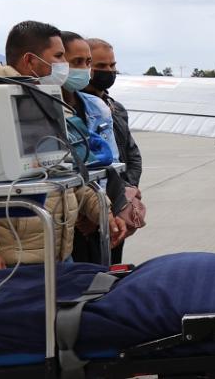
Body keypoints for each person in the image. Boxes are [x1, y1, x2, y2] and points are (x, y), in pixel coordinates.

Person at [0, 21, 122, 272]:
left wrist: (103, 211)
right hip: (11, 263)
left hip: (56, 255)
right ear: (30, 60)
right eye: (58, 57)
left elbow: (62, 170)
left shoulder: (45, 100)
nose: (64, 65)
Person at [61, 31, 128, 263]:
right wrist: (84, 212)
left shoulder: (98, 107)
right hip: (68, 217)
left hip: (102, 209)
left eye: (88, 62)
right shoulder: (43, 108)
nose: (85, 69)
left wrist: (104, 209)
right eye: (77, 62)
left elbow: (113, 162)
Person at [85, 38, 146, 264]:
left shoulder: (116, 108)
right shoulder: (71, 109)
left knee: (113, 267)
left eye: (112, 65)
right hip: (85, 214)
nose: (109, 71)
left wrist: (125, 196)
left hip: (116, 206)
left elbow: (132, 156)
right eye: (101, 66)